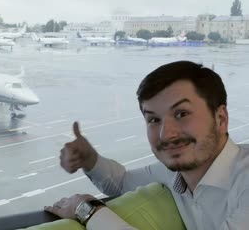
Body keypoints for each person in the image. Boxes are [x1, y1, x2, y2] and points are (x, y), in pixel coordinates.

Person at [44, 60, 249, 229]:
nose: (166, 134)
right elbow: (123, 182)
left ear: (221, 119)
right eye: (154, 119)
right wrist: (89, 159)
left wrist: (88, 210)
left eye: (182, 114)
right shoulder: (175, 174)